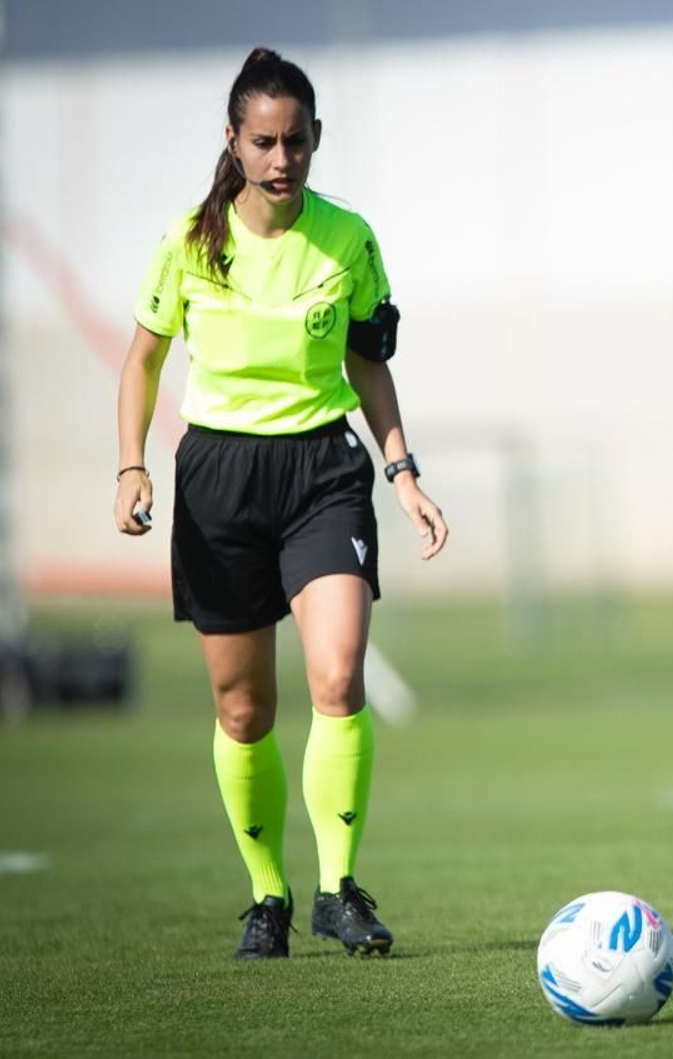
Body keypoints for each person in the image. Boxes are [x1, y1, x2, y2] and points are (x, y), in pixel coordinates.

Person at [113, 48, 447, 960]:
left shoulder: (349, 239)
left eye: (296, 140)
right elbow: (141, 359)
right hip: (218, 478)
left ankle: (340, 886)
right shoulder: (191, 240)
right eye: (263, 141)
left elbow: (368, 360)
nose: (282, 158)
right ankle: (269, 896)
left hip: (321, 473)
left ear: (316, 140)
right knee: (242, 710)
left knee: (337, 674)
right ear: (233, 140)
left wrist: (403, 472)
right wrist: (130, 467)